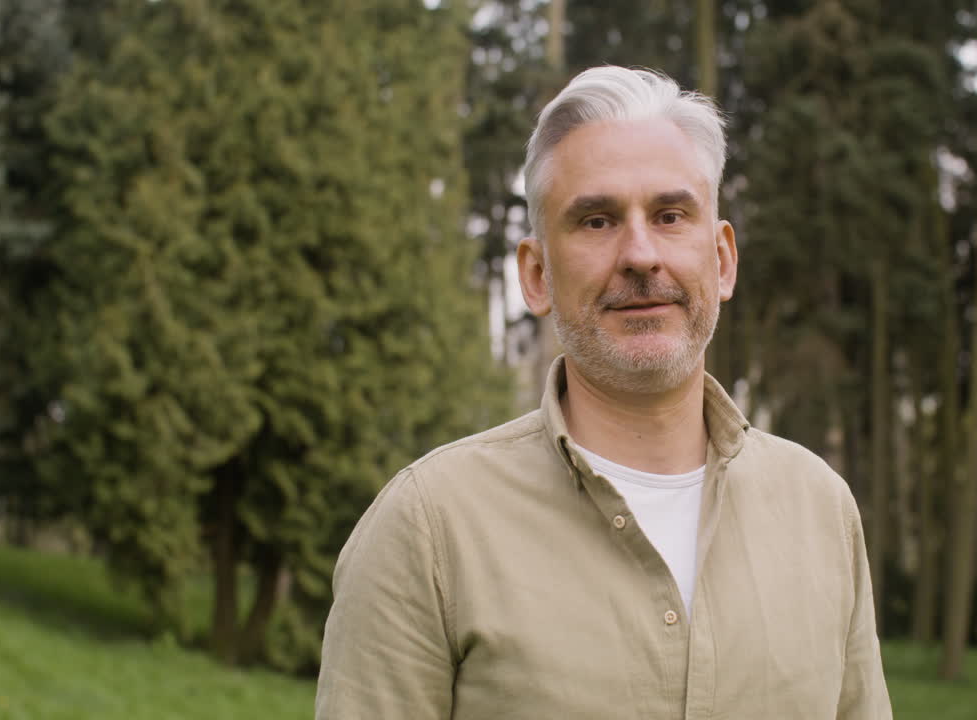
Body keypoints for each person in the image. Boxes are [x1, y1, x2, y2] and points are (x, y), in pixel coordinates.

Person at [316, 65, 892, 719]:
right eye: (596, 221)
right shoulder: (427, 530)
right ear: (536, 275)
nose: (641, 254)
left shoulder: (820, 511)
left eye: (671, 215)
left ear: (723, 259)